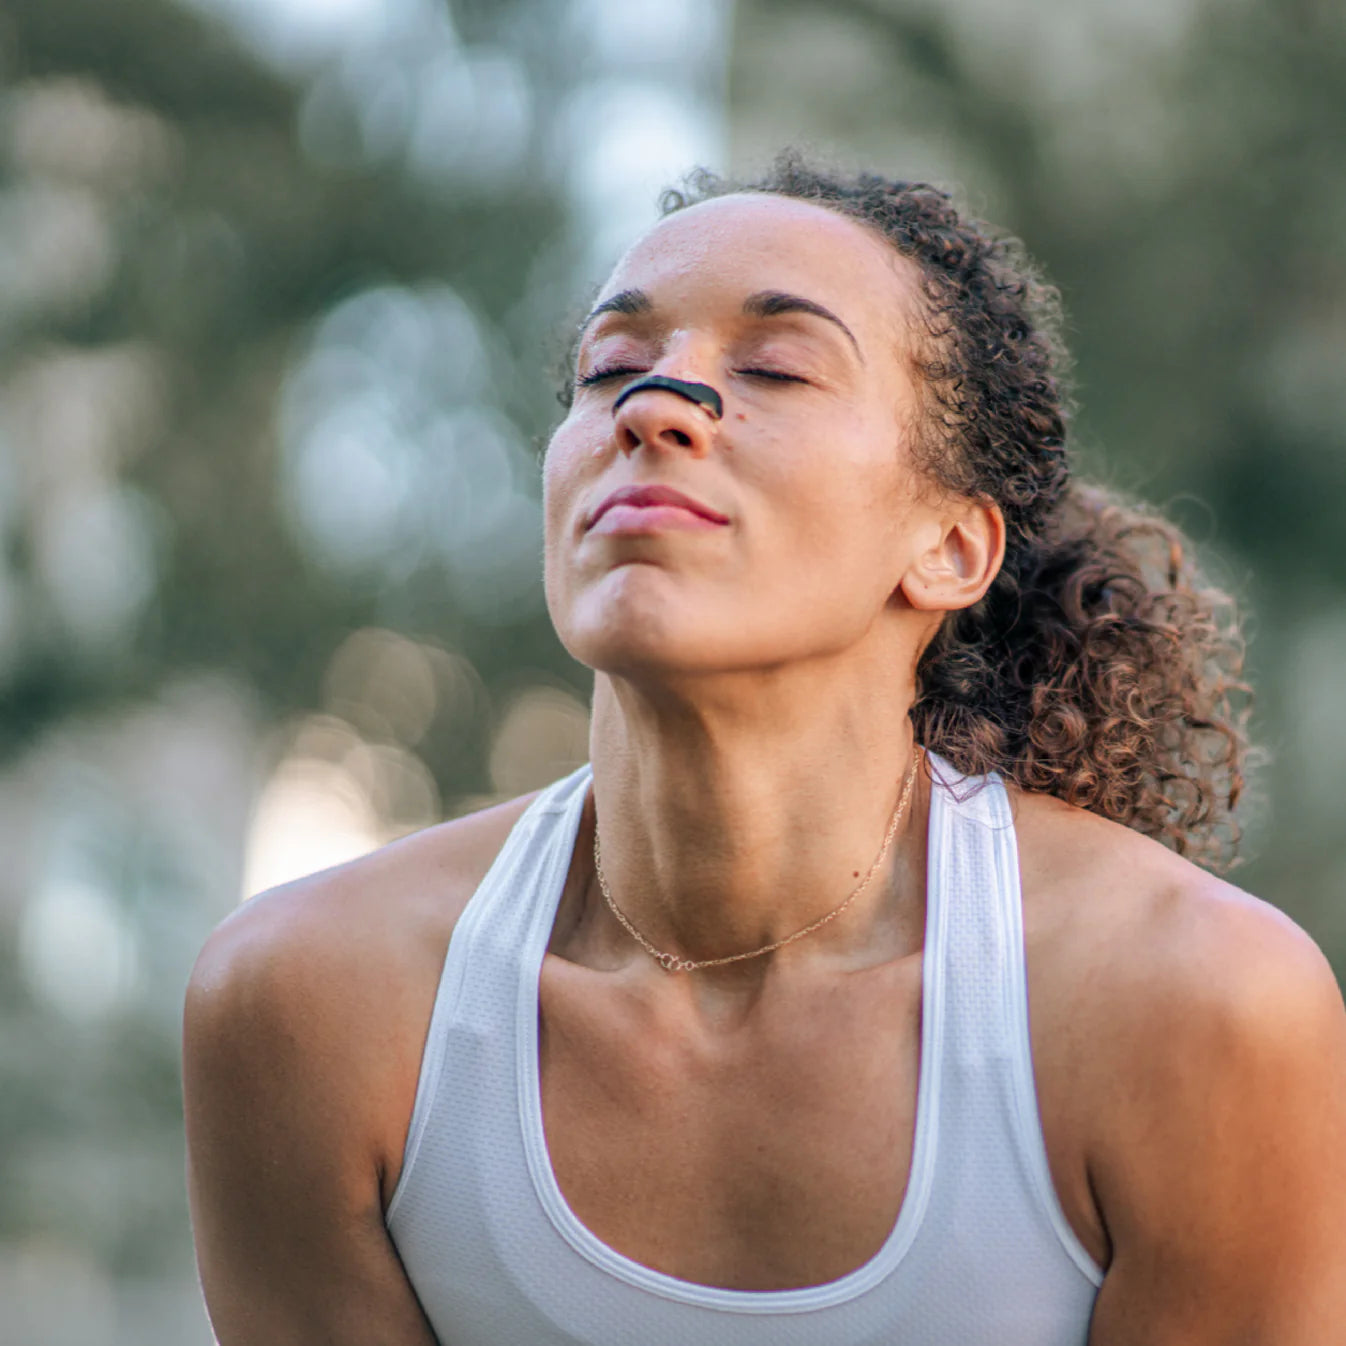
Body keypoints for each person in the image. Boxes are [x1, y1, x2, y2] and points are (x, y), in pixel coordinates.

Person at [182, 156, 1346, 1344]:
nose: (654, 405)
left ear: (947, 545)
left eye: (776, 367)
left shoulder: (1190, 1009)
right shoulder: (315, 1004)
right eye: (610, 370)